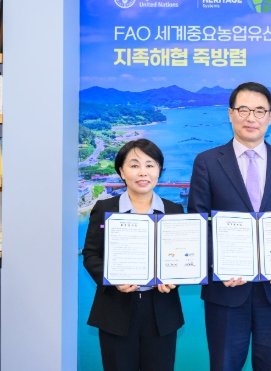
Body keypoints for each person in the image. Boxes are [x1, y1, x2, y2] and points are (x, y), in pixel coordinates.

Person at [188, 82, 271, 371]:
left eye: (260, 111)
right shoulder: (207, 162)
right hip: (225, 290)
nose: (251, 117)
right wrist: (217, 267)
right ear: (231, 113)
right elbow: (197, 224)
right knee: (224, 365)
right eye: (243, 110)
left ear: (270, 116)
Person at [82, 139, 184, 371]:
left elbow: (180, 258)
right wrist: (113, 278)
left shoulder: (174, 210)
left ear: (159, 170)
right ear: (121, 171)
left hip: (161, 311)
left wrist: (175, 279)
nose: (143, 172)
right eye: (134, 165)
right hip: (115, 310)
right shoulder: (104, 208)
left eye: (150, 165)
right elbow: (91, 254)